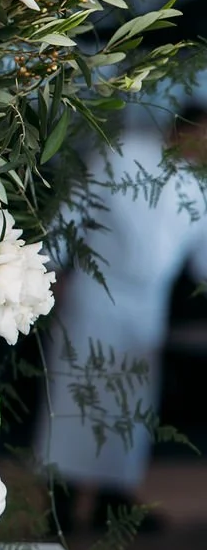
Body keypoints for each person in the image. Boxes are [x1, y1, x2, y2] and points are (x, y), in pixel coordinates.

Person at [35, 103, 207, 524]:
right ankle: (60, 502)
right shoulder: (122, 151)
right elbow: (70, 209)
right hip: (95, 292)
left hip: (149, 305)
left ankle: (113, 501)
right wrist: (50, 268)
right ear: (181, 128)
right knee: (77, 396)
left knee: (129, 406)